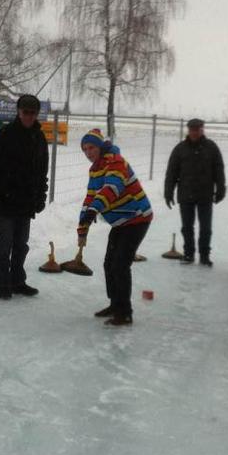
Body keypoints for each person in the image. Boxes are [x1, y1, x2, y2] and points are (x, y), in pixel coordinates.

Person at [77, 129, 153, 326]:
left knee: (120, 264)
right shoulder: (95, 169)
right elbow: (90, 197)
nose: (88, 152)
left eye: (91, 147)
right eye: (85, 149)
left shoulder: (116, 162)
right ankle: (115, 304)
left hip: (137, 218)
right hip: (120, 222)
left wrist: (94, 209)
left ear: (100, 146)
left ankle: (125, 312)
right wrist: (82, 228)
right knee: (109, 263)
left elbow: (112, 188)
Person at [0, 93, 49, 299]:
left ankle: (18, 281)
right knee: (5, 245)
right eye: (25, 112)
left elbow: (42, 171)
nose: (29, 116)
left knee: (21, 245)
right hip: (6, 202)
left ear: (37, 114)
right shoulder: (5, 135)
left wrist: (40, 196)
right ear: (18, 112)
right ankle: (2, 284)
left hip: (27, 202)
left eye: (33, 113)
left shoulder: (39, 137)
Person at [163, 118, 225, 266]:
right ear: (188, 130)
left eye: (197, 129)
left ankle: (204, 255)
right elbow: (171, 172)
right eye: (192, 130)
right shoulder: (180, 149)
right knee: (187, 227)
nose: (195, 132)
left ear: (202, 130)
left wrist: (221, 189)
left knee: (205, 228)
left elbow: (219, 170)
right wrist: (168, 192)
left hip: (205, 194)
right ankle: (189, 254)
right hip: (186, 194)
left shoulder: (211, 148)